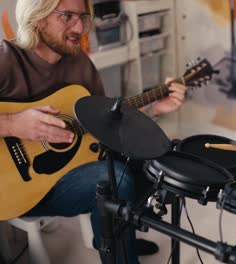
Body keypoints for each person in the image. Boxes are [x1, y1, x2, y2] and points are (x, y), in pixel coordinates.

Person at [0, 0, 186, 263]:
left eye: (83, 18)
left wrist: (156, 107)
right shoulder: (6, 58)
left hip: (69, 171)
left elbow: (108, 124)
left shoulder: (80, 64)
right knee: (114, 180)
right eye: (67, 16)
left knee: (154, 157)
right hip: (20, 186)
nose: (79, 28)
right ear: (38, 17)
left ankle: (118, 235)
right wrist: (12, 123)